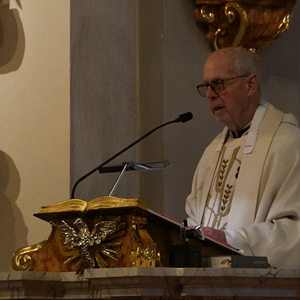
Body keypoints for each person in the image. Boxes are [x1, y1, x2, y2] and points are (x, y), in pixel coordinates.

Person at [185, 47, 300, 269]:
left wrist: (232, 241)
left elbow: (294, 232)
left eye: (218, 84)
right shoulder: (212, 153)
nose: (210, 94)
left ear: (251, 84)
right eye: (206, 86)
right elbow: (194, 219)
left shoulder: (287, 145)